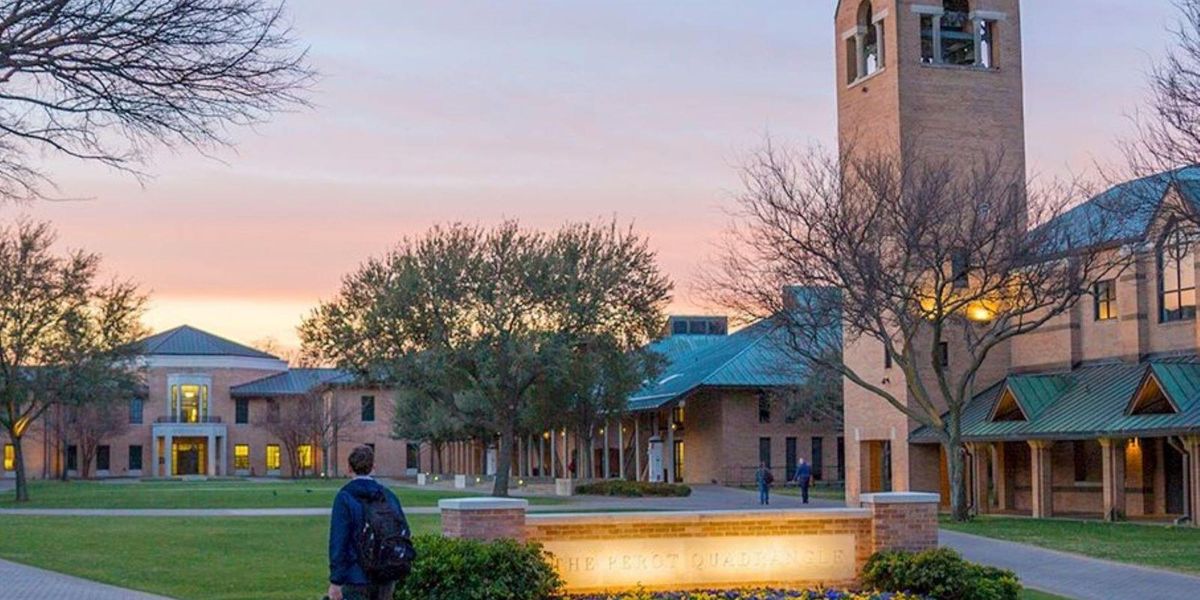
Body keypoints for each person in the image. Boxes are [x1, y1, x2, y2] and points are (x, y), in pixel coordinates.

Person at [327, 445, 410, 600]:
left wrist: (335, 581)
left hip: (355, 576)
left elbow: (338, 542)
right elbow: (403, 530)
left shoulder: (344, 497)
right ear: (373, 467)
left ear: (349, 468)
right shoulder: (388, 495)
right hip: (386, 573)